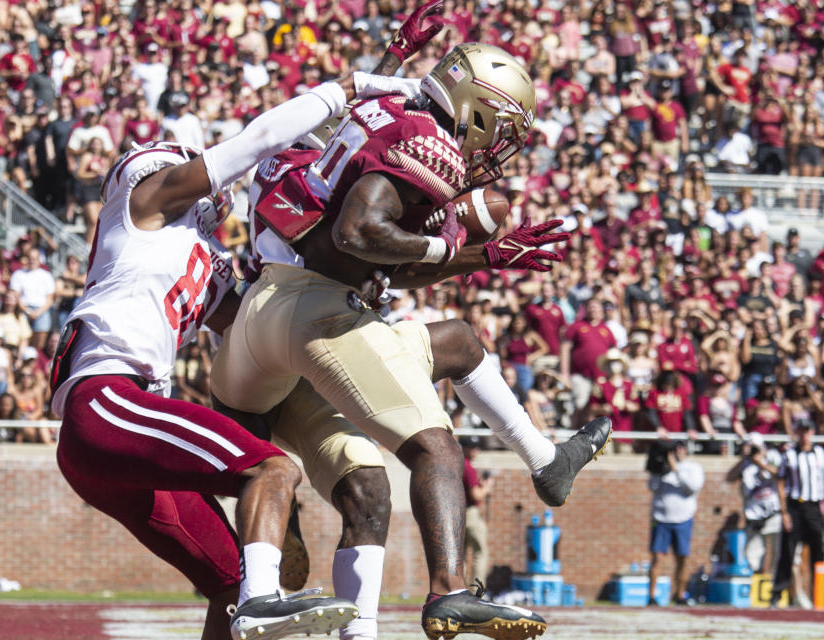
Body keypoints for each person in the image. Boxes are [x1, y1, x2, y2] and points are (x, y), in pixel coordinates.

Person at [210, 39, 593, 640]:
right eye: (501, 129)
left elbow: (366, 233)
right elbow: (360, 231)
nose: (497, 147)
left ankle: (287, 582)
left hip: (255, 323)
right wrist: (455, 247)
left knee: (366, 488)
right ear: (477, 109)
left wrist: (479, 255)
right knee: (436, 449)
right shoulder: (430, 143)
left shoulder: (376, 113)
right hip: (319, 314)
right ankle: (451, 590)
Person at [46, 69, 411, 639]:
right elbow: (253, 143)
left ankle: (254, 598)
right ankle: (265, 603)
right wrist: (348, 87)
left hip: (117, 428)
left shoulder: (204, 262)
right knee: (271, 469)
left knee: (234, 580)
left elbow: (266, 325)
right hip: (108, 399)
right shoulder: (142, 206)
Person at [770, 422, 824, 608]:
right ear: (797, 433)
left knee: (819, 552)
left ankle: (821, 594)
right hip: (795, 506)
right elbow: (781, 483)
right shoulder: (789, 454)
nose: (805, 435)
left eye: (808, 431)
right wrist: (784, 512)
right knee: (788, 551)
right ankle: (777, 594)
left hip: (814, 507)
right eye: (801, 431)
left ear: (812, 432)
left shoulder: (820, 453)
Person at [648, 440, 703, 606]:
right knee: (657, 557)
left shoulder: (693, 468)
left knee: (682, 558)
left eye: (679, 448)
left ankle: (680, 594)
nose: (676, 452)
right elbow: (652, 486)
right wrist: (661, 467)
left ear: (685, 450)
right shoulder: (661, 468)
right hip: (661, 519)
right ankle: (651, 596)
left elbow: (692, 488)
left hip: (683, 519)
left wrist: (675, 468)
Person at [726, 433, 781, 573]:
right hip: (753, 514)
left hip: (773, 511)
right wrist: (744, 459)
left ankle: (773, 585)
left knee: (777, 553)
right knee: (753, 555)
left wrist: (760, 462)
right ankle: (756, 584)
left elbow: (780, 475)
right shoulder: (745, 463)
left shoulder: (772, 456)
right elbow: (729, 477)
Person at [461, 436, 492, 585]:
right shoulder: (469, 468)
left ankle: (459, 591)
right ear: (464, 448)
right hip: (470, 513)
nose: (475, 450)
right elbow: (475, 495)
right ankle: (477, 594)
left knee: (460, 555)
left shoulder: (456, 464)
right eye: (472, 447)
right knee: (480, 552)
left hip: (457, 513)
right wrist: (486, 487)